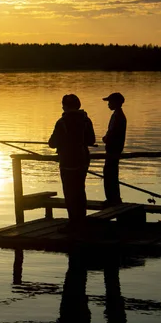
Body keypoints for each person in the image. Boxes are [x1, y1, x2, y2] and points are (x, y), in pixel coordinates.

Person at [48, 94, 96, 226]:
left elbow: (52, 143)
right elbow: (91, 140)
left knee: (69, 192)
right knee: (80, 190)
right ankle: (81, 220)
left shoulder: (62, 122)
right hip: (83, 159)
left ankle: (73, 222)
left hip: (68, 161)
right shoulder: (86, 120)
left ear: (65, 106)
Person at [102, 92, 127, 207]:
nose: (108, 104)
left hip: (113, 150)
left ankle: (112, 199)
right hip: (114, 149)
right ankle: (113, 198)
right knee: (111, 173)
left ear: (116, 103)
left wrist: (106, 138)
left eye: (110, 102)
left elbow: (112, 133)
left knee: (109, 174)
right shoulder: (118, 115)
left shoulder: (118, 116)